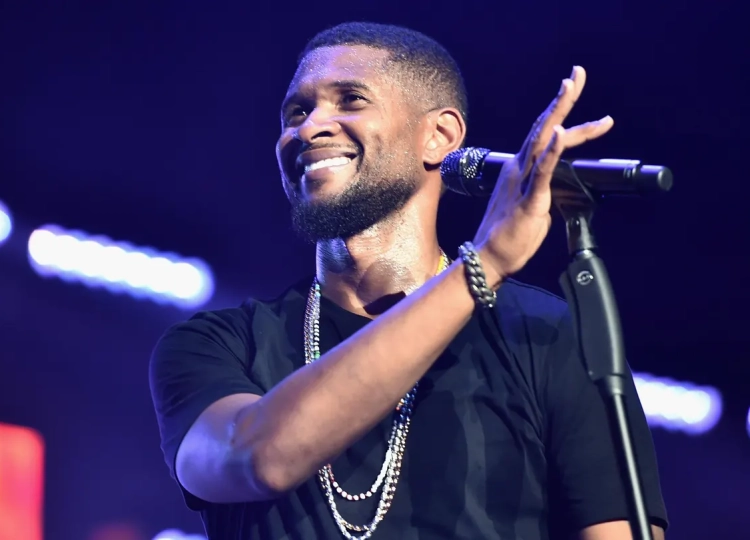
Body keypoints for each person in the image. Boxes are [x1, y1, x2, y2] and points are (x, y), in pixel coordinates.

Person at [149, 22, 668, 540]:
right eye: (297, 112)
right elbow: (259, 460)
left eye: (350, 100)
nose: (309, 128)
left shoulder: (545, 335)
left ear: (439, 136)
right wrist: (484, 264)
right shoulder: (216, 344)